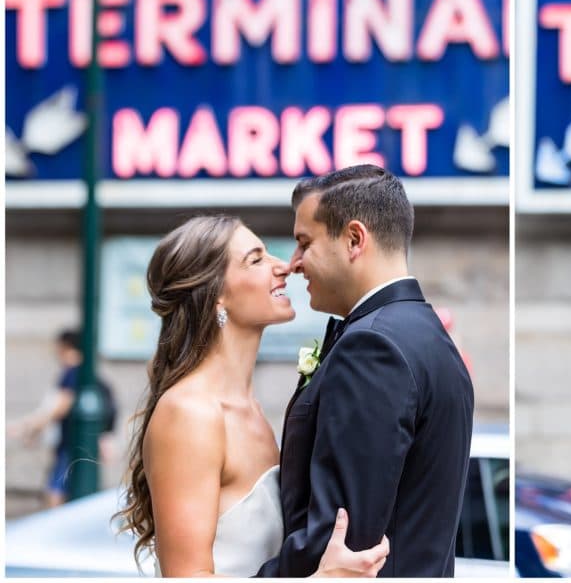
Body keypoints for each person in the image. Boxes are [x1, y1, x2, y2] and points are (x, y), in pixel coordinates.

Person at [116, 215, 389, 577]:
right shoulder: (190, 413)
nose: (285, 266)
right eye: (256, 259)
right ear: (216, 295)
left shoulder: (251, 409)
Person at [255, 165, 475, 578]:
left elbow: (340, 539)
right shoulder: (430, 337)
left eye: (304, 243)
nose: (294, 263)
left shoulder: (372, 348)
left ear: (354, 239)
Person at [7, 329, 116, 508]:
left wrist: (30, 427)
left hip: (70, 445)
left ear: (65, 348)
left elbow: (60, 405)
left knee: (55, 491)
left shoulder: (73, 372)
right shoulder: (90, 374)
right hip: (80, 446)